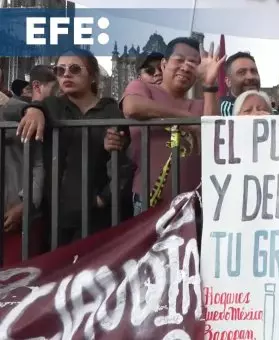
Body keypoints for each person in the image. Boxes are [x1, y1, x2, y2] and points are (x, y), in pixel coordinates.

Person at [15, 48, 136, 246]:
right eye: (60, 70)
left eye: (74, 69)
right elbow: (27, 108)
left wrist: (103, 198)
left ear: (93, 76)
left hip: (98, 215)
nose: (66, 74)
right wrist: (32, 110)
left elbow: (123, 163)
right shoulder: (52, 105)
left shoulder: (110, 111)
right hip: (56, 215)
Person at [119, 37, 223, 214]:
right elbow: (132, 107)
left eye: (193, 63)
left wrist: (209, 82)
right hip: (149, 201)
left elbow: (214, 134)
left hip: (193, 203)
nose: (186, 66)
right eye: (179, 60)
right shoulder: (142, 88)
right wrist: (188, 120)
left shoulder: (200, 104)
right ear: (164, 64)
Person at [219, 51, 261, 116]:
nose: (250, 77)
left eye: (254, 71)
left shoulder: (273, 112)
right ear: (228, 81)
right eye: (241, 72)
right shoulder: (220, 110)